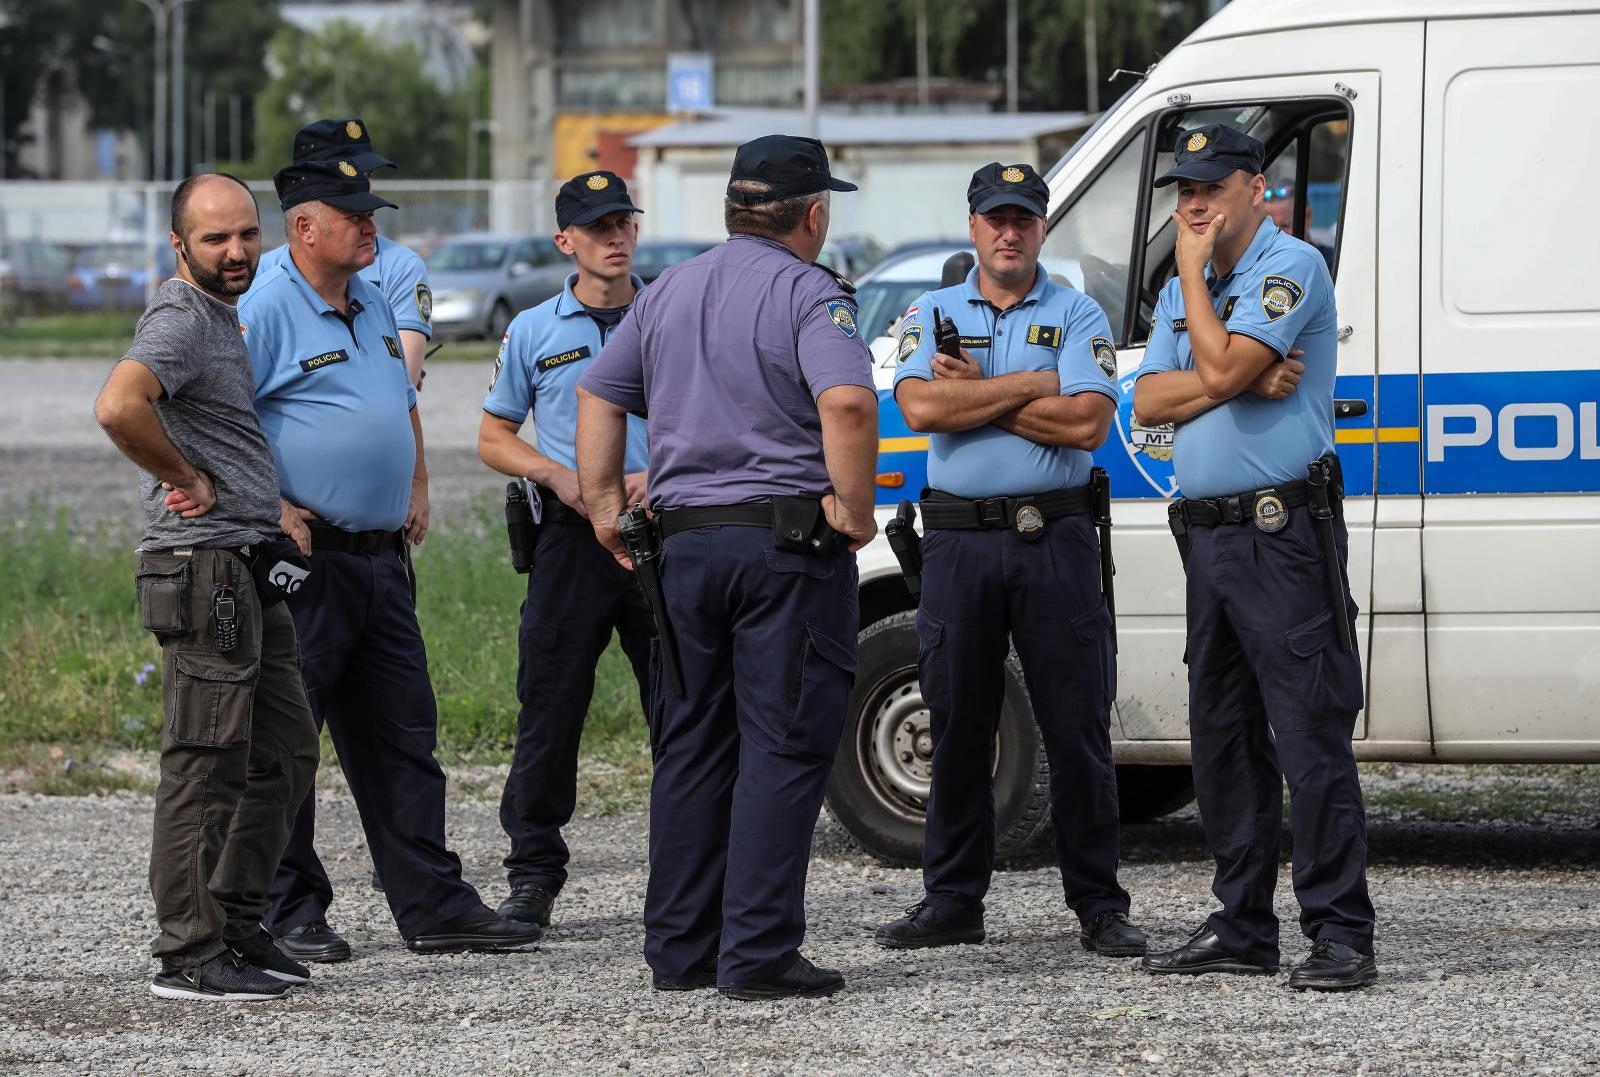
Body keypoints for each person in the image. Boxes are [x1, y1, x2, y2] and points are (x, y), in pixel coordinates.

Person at [575, 134, 878, 1000]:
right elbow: (850, 401)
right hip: (781, 549)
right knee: (782, 745)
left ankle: (679, 949)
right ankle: (757, 953)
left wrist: (603, 504)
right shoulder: (809, 293)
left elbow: (599, 392)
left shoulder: (668, 291)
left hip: (683, 549)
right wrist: (853, 515)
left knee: (694, 745)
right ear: (813, 214)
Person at [240, 158, 540, 960]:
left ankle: (432, 902)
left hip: (379, 560)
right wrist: (271, 507)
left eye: (372, 212)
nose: (371, 225)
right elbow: (213, 420)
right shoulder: (265, 307)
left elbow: (398, 401)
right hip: (307, 563)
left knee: (404, 734)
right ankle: (287, 905)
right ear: (305, 227)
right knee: (288, 739)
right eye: (354, 214)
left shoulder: (373, 297)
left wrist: (415, 480)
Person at [871, 163, 1146, 958]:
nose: (1009, 231)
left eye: (1023, 217)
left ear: (1042, 228)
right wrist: (1036, 385)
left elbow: (1090, 422)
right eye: (996, 216)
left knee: (1076, 725)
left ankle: (1099, 905)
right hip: (958, 541)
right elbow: (923, 406)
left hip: (1052, 538)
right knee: (957, 723)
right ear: (972, 225)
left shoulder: (1078, 311)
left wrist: (986, 389)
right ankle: (952, 899)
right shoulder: (933, 311)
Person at [1131, 124, 1376, 990]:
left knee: (1309, 734)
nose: (1191, 204)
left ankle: (1340, 930)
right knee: (1224, 740)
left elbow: (1220, 364)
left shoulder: (1289, 266)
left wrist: (1200, 302)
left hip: (1281, 536)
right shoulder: (1187, 285)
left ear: (1255, 190)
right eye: (1183, 190)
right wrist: (1226, 375)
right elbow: (1151, 398)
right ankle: (1243, 924)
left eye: (1210, 187)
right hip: (1209, 535)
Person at [94, 172, 320, 1000]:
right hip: (202, 571)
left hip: (245, 560)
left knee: (287, 750)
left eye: (245, 235)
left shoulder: (223, 318)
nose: (236, 252)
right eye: (216, 238)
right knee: (205, 761)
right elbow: (120, 406)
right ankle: (188, 952)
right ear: (179, 244)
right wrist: (184, 472)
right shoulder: (181, 319)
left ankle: (236, 921)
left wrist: (269, 503)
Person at [477, 170, 654, 929]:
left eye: (623, 223)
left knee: (684, 707)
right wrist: (557, 473)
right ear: (565, 241)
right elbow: (493, 436)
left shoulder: (669, 316)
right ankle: (533, 874)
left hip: (659, 537)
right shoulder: (535, 330)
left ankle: (692, 868)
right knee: (549, 705)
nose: (614, 237)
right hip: (571, 539)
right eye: (597, 227)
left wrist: (666, 472)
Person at [253, 118, 433, 389]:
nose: (363, 184)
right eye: (352, 172)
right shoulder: (264, 275)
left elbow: (402, 383)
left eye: (368, 175)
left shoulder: (398, 267)